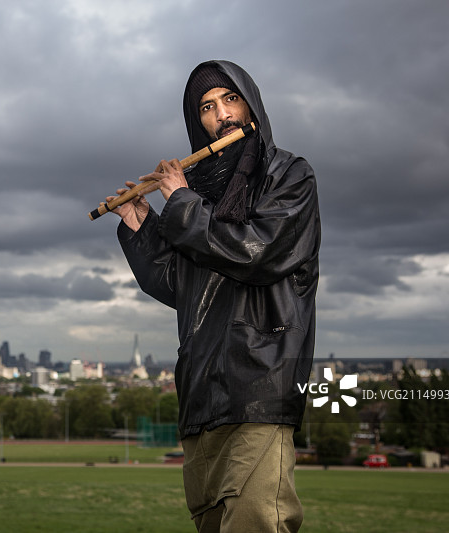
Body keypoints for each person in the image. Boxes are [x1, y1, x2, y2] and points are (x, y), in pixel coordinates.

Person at [107, 60, 321, 532]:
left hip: (260, 386)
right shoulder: (200, 191)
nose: (221, 114)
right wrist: (143, 227)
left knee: (255, 522)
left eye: (230, 99)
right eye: (206, 107)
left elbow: (257, 252)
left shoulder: (289, 174)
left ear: (251, 105)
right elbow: (180, 286)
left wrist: (181, 203)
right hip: (201, 393)